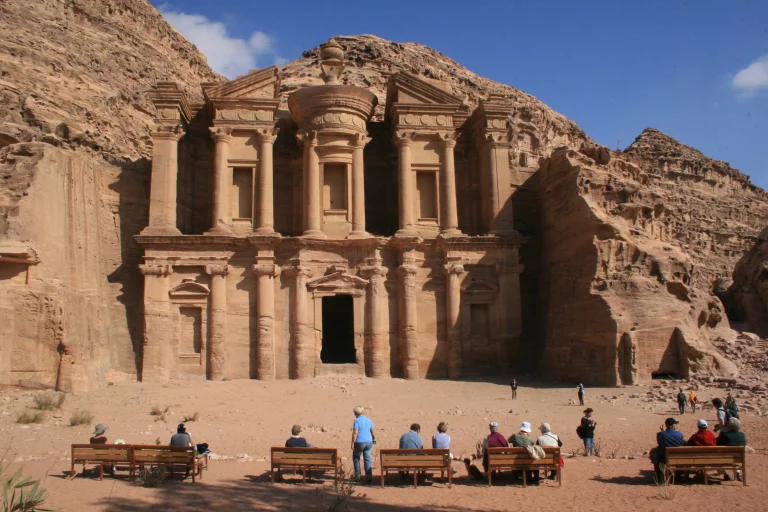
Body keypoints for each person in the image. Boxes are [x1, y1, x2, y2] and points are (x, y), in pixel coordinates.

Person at [351, 406, 375, 484]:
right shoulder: (368, 420)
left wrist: (352, 442)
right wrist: (373, 438)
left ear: (356, 413)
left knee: (356, 458)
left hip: (359, 442)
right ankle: (368, 477)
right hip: (369, 441)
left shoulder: (356, 421)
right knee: (367, 459)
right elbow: (372, 431)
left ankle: (357, 476)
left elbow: (355, 432)